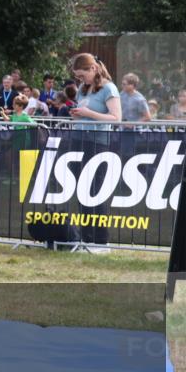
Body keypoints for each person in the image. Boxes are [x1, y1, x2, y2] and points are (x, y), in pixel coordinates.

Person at [70, 53, 122, 247]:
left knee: (95, 191)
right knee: (81, 190)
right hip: (78, 140)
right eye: (77, 77)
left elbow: (116, 118)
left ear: (92, 69)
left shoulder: (108, 88)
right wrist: (76, 115)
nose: (80, 80)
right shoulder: (82, 89)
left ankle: (100, 240)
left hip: (97, 143)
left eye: (82, 75)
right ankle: (85, 237)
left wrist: (88, 113)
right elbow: (82, 114)